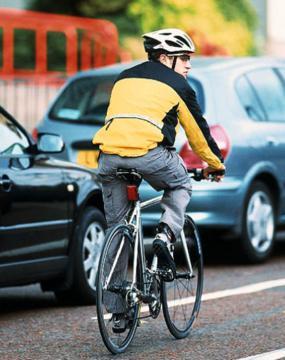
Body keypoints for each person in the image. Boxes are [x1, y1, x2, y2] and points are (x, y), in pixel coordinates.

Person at [93, 28, 225, 332]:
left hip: (109, 156)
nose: (189, 65)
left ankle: (118, 312)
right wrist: (216, 165)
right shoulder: (178, 84)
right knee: (180, 184)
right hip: (149, 154)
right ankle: (165, 236)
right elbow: (198, 135)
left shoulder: (124, 77)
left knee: (118, 227)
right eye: (185, 58)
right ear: (167, 57)